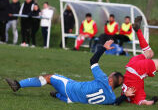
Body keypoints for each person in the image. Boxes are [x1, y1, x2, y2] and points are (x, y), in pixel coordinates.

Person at [5, 40, 135, 105]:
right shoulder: (111, 98)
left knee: (49, 77)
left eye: (110, 75)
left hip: (70, 88)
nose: (108, 76)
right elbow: (115, 102)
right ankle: (57, 95)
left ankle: (18, 85)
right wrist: (125, 95)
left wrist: (103, 48)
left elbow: (93, 60)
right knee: (58, 90)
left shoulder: (102, 79)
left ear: (111, 80)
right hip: (72, 100)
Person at [121, 16, 158, 105]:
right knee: (149, 53)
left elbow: (145, 102)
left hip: (138, 70)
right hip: (131, 64)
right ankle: (138, 30)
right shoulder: (123, 94)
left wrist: (153, 101)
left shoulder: (136, 99)